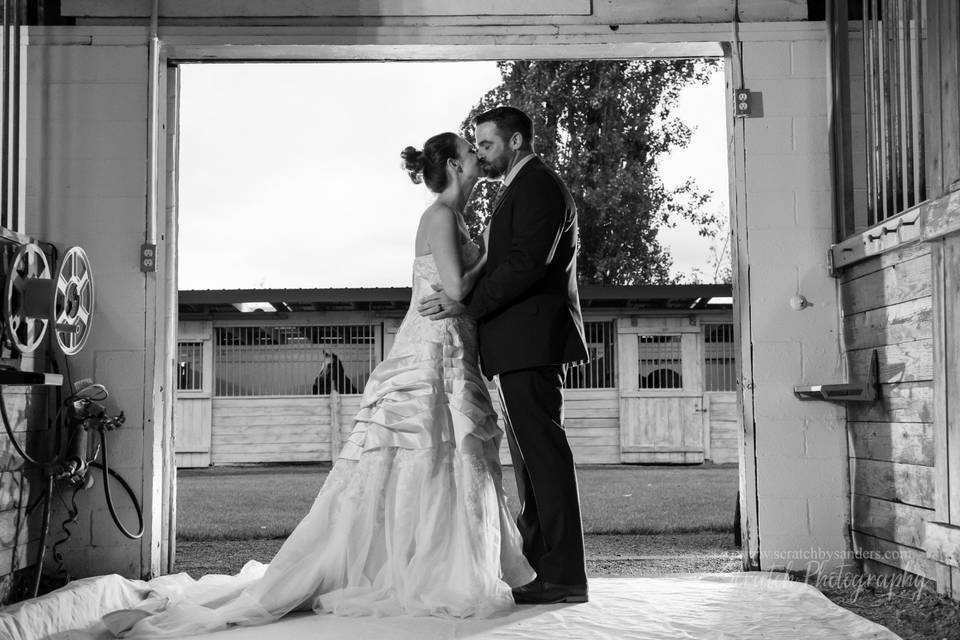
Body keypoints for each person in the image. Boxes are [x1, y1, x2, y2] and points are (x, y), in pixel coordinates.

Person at [95, 132, 535, 638]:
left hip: (455, 345)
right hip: (430, 349)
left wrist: (484, 256)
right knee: (421, 452)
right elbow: (456, 288)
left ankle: (441, 564)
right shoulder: (438, 216)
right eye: (470, 149)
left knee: (449, 459)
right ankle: (408, 570)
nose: (479, 155)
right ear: (457, 167)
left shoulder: (459, 219)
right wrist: (492, 256)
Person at [418, 106, 590, 605]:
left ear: (515, 142)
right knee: (531, 462)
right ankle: (543, 567)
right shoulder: (519, 187)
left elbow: (524, 267)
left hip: (530, 342)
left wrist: (463, 302)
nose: (482, 153)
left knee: (545, 457)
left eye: (487, 144)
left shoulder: (537, 184)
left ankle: (565, 576)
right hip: (516, 344)